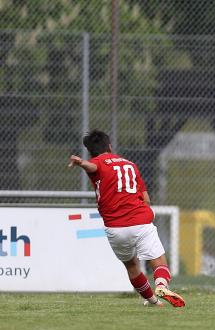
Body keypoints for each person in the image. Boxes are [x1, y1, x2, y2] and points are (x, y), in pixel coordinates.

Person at [68, 130, 185, 308]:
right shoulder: (130, 165)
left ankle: (153, 301)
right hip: (140, 222)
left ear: (91, 153)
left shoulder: (96, 162)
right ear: (110, 146)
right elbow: (146, 199)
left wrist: (82, 163)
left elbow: (94, 167)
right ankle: (161, 286)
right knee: (158, 261)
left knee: (132, 266)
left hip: (115, 228)